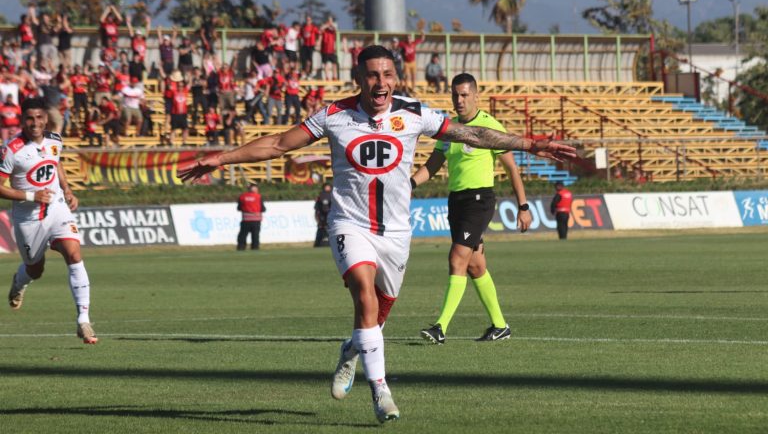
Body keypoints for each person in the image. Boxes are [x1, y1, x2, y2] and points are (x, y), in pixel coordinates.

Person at [177, 45, 575, 424]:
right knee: (364, 293)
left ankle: (351, 350)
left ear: (396, 78)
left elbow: (476, 136)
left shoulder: (415, 114)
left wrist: (531, 144)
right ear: (359, 79)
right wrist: (221, 158)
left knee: (374, 318)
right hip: (349, 224)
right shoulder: (334, 114)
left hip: (396, 234)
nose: (380, 82)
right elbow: (280, 144)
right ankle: (381, 390)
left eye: (387, 74)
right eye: (372, 75)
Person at [412, 73, 532, 345]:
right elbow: (433, 164)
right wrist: (410, 184)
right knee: (476, 266)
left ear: (477, 95)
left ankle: (440, 327)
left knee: (457, 259)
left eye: (465, 95)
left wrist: (523, 206)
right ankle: (500, 326)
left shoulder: (489, 127)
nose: (460, 100)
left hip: (479, 201)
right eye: (456, 95)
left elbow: (511, 168)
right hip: (456, 201)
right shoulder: (449, 129)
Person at [2, 97, 98, 344]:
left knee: (74, 254)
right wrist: (32, 195)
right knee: (36, 269)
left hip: (57, 209)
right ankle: (20, 281)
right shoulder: (11, 150)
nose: (35, 123)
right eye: (30, 118)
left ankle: (83, 321)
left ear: (46, 118)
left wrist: (67, 190)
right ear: (22, 120)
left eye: (39, 118)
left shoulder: (55, 140)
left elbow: (56, 164)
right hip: (28, 218)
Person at [237, 183, 266, 251]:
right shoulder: (258, 197)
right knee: (255, 236)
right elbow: (263, 209)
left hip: (246, 219)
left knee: (243, 235)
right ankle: (255, 248)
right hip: (256, 220)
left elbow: (239, 208)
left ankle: (241, 247)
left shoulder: (242, 196)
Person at [314, 182, 332, 247]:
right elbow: (317, 209)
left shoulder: (333, 195)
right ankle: (318, 244)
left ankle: (331, 244)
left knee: (330, 230)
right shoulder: (320, 196)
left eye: (328, 186)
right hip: (322, 217)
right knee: (320, 230)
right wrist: (317, 218)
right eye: (326, 187)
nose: (327, 188)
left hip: (331, 216)